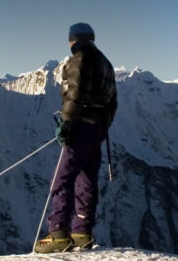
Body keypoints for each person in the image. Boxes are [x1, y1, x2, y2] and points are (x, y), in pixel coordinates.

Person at [33, 22, 118, 253]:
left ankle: (58, 233)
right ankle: (82, 232)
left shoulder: (80, 59)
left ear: (76, 39)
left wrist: (67, 123)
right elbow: (113, 102)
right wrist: (101, 126)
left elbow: (75, 93)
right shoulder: (106, 64)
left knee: (62, 177)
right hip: (97, 128)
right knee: (86, 179)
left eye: (70, 39)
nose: (69, 44)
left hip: (81, 126)